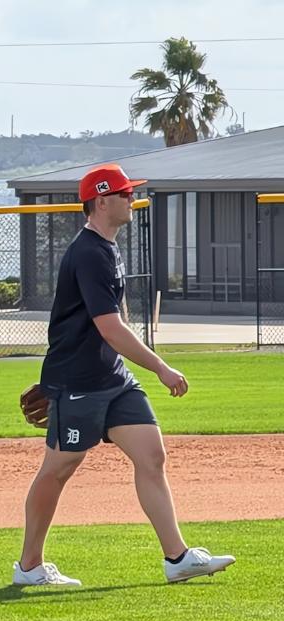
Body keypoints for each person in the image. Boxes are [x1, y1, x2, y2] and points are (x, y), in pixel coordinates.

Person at [13, 163, 235, 586]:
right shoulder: (88, 252)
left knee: (151, 456)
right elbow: (110, 328)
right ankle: (29, 567)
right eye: (123, 194)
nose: (130, 199)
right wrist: (161, 368)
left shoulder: (106, 248)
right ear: (100, 201)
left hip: (111, 379)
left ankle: (177, 558)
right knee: (58, 469)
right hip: (78, 381)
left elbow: (113, 327)